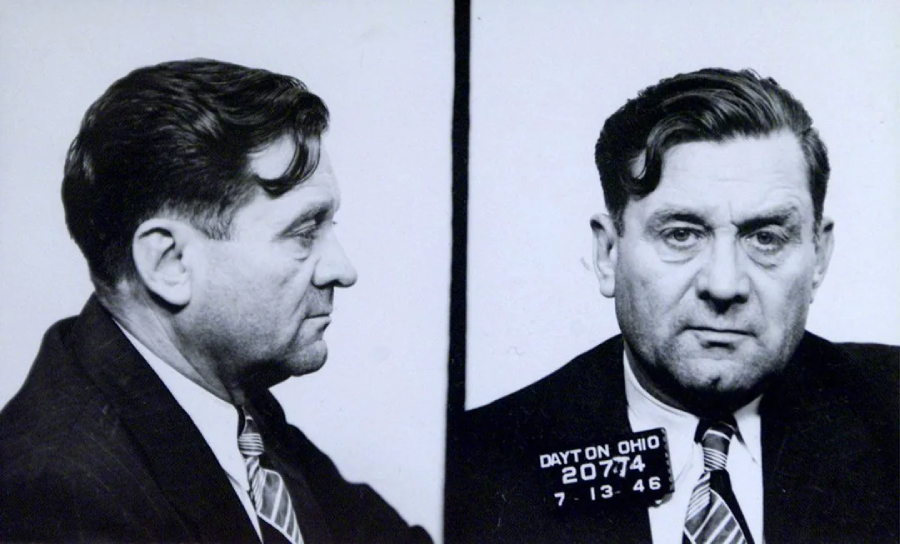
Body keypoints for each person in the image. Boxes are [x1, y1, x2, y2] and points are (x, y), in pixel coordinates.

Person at [446, 68, 898, 543]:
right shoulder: (481, 467)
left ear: (818, 257)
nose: (724, 285)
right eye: (681, 234)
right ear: (608, 253)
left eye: (765, 238)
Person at [0, 59, 430, 543]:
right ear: (169, 262)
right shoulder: (58, 496)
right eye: (303, 231)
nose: (342, 270)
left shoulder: (239, 411)